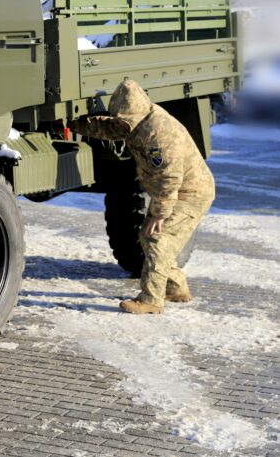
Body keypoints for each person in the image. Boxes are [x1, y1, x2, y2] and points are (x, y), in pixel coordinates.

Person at [71, 79, 215, 314]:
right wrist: (75, 125)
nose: (121, 121)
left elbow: (170, 179)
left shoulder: (159, 134)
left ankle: (151, 300)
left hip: (190, 193)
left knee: (156, 237)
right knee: (151, 236)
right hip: (176, 190)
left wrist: (158, 214)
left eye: (124, 117)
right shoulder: (138, 118)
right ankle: (176, 287)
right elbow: (111, 129)